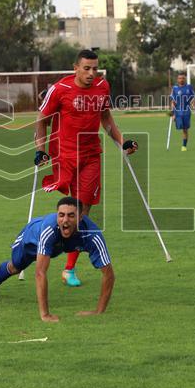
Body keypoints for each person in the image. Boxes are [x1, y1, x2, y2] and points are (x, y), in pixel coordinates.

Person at [35, 49, 137, 287]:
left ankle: (69, 268)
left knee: (82, 212)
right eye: (87, 68)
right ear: (76, 68)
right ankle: (45, 247)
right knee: (70, 210)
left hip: (92, 155)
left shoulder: (103, 87)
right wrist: (40, 150)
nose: (92, 73)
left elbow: (106, 119)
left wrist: (124, 142)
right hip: (65, 154)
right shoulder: (61, 89)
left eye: (95, 69)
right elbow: (41, 119)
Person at [0, 196, 116, 322]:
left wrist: (99, 311)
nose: (65, 220)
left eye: (71, 215)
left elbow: (109, 274)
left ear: (81, 217)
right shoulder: (49, 229)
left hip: (58, 246)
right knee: (16, 267)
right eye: (61, 215)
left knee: (48, 253)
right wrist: (45, 314)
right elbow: (40, 273)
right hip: (31, 240)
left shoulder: (93, 235)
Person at [170, 72, 195, 151]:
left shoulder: (189, 87)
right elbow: (173, 100)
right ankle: (176, 118)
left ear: (185, 79)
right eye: (179, 78)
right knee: (180, 126)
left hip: (186, 111)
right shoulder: (175, 88)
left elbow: (193, 97)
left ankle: (184, 146)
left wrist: (194, 105)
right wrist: (172, 111)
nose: (181, 79)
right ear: (177, 79)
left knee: (185, 129)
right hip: (178, 111)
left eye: (182, 78)